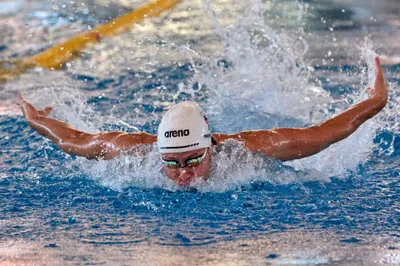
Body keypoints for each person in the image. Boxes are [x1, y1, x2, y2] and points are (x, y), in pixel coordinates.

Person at [19, 57, 388, 186]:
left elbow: (322, 135)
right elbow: (74, 140)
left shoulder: (249, 151)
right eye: (173, 163)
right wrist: (35, 119)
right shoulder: (135, 154)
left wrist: (375, 101)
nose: (184, 174)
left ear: (211, 144)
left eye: (193, 160)